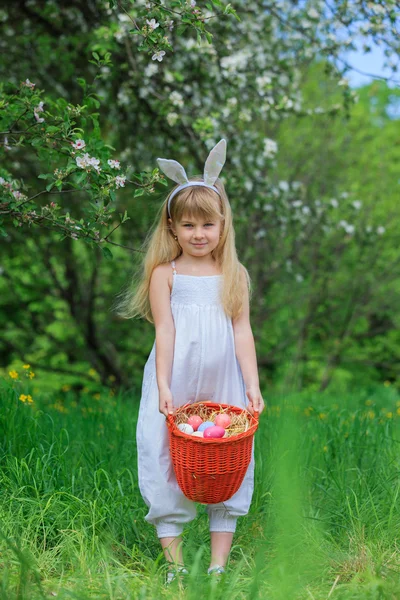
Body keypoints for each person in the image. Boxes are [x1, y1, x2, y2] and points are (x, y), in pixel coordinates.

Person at [116, 139, 265, 584]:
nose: (199, 234)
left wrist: (253, 385)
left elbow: (242, 332)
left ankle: (218, 566)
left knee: (229, 455)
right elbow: (165, 330)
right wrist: (163, 385)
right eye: (188, 225)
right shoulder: (167, 274)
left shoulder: (233, 274)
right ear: (172, 227)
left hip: (224, 377)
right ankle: (176, 568)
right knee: (164, 449)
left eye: (208, 224)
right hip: (176, 373)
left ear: (223, 225)